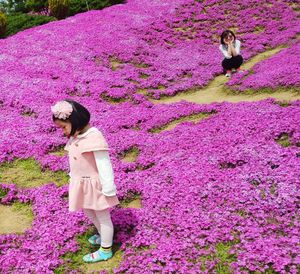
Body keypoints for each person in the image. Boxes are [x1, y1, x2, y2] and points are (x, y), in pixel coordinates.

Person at [51, 100, 119, 263]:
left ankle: (105, 250)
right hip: (81, 183)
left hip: (95, 186)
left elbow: (104, 164)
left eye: (63, 127)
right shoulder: (76, 135)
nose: (62, 131)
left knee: (103, 217)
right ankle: (104, 236)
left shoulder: (94, 136)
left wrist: (108, 187)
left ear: (75, 121)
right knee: (89, 212)